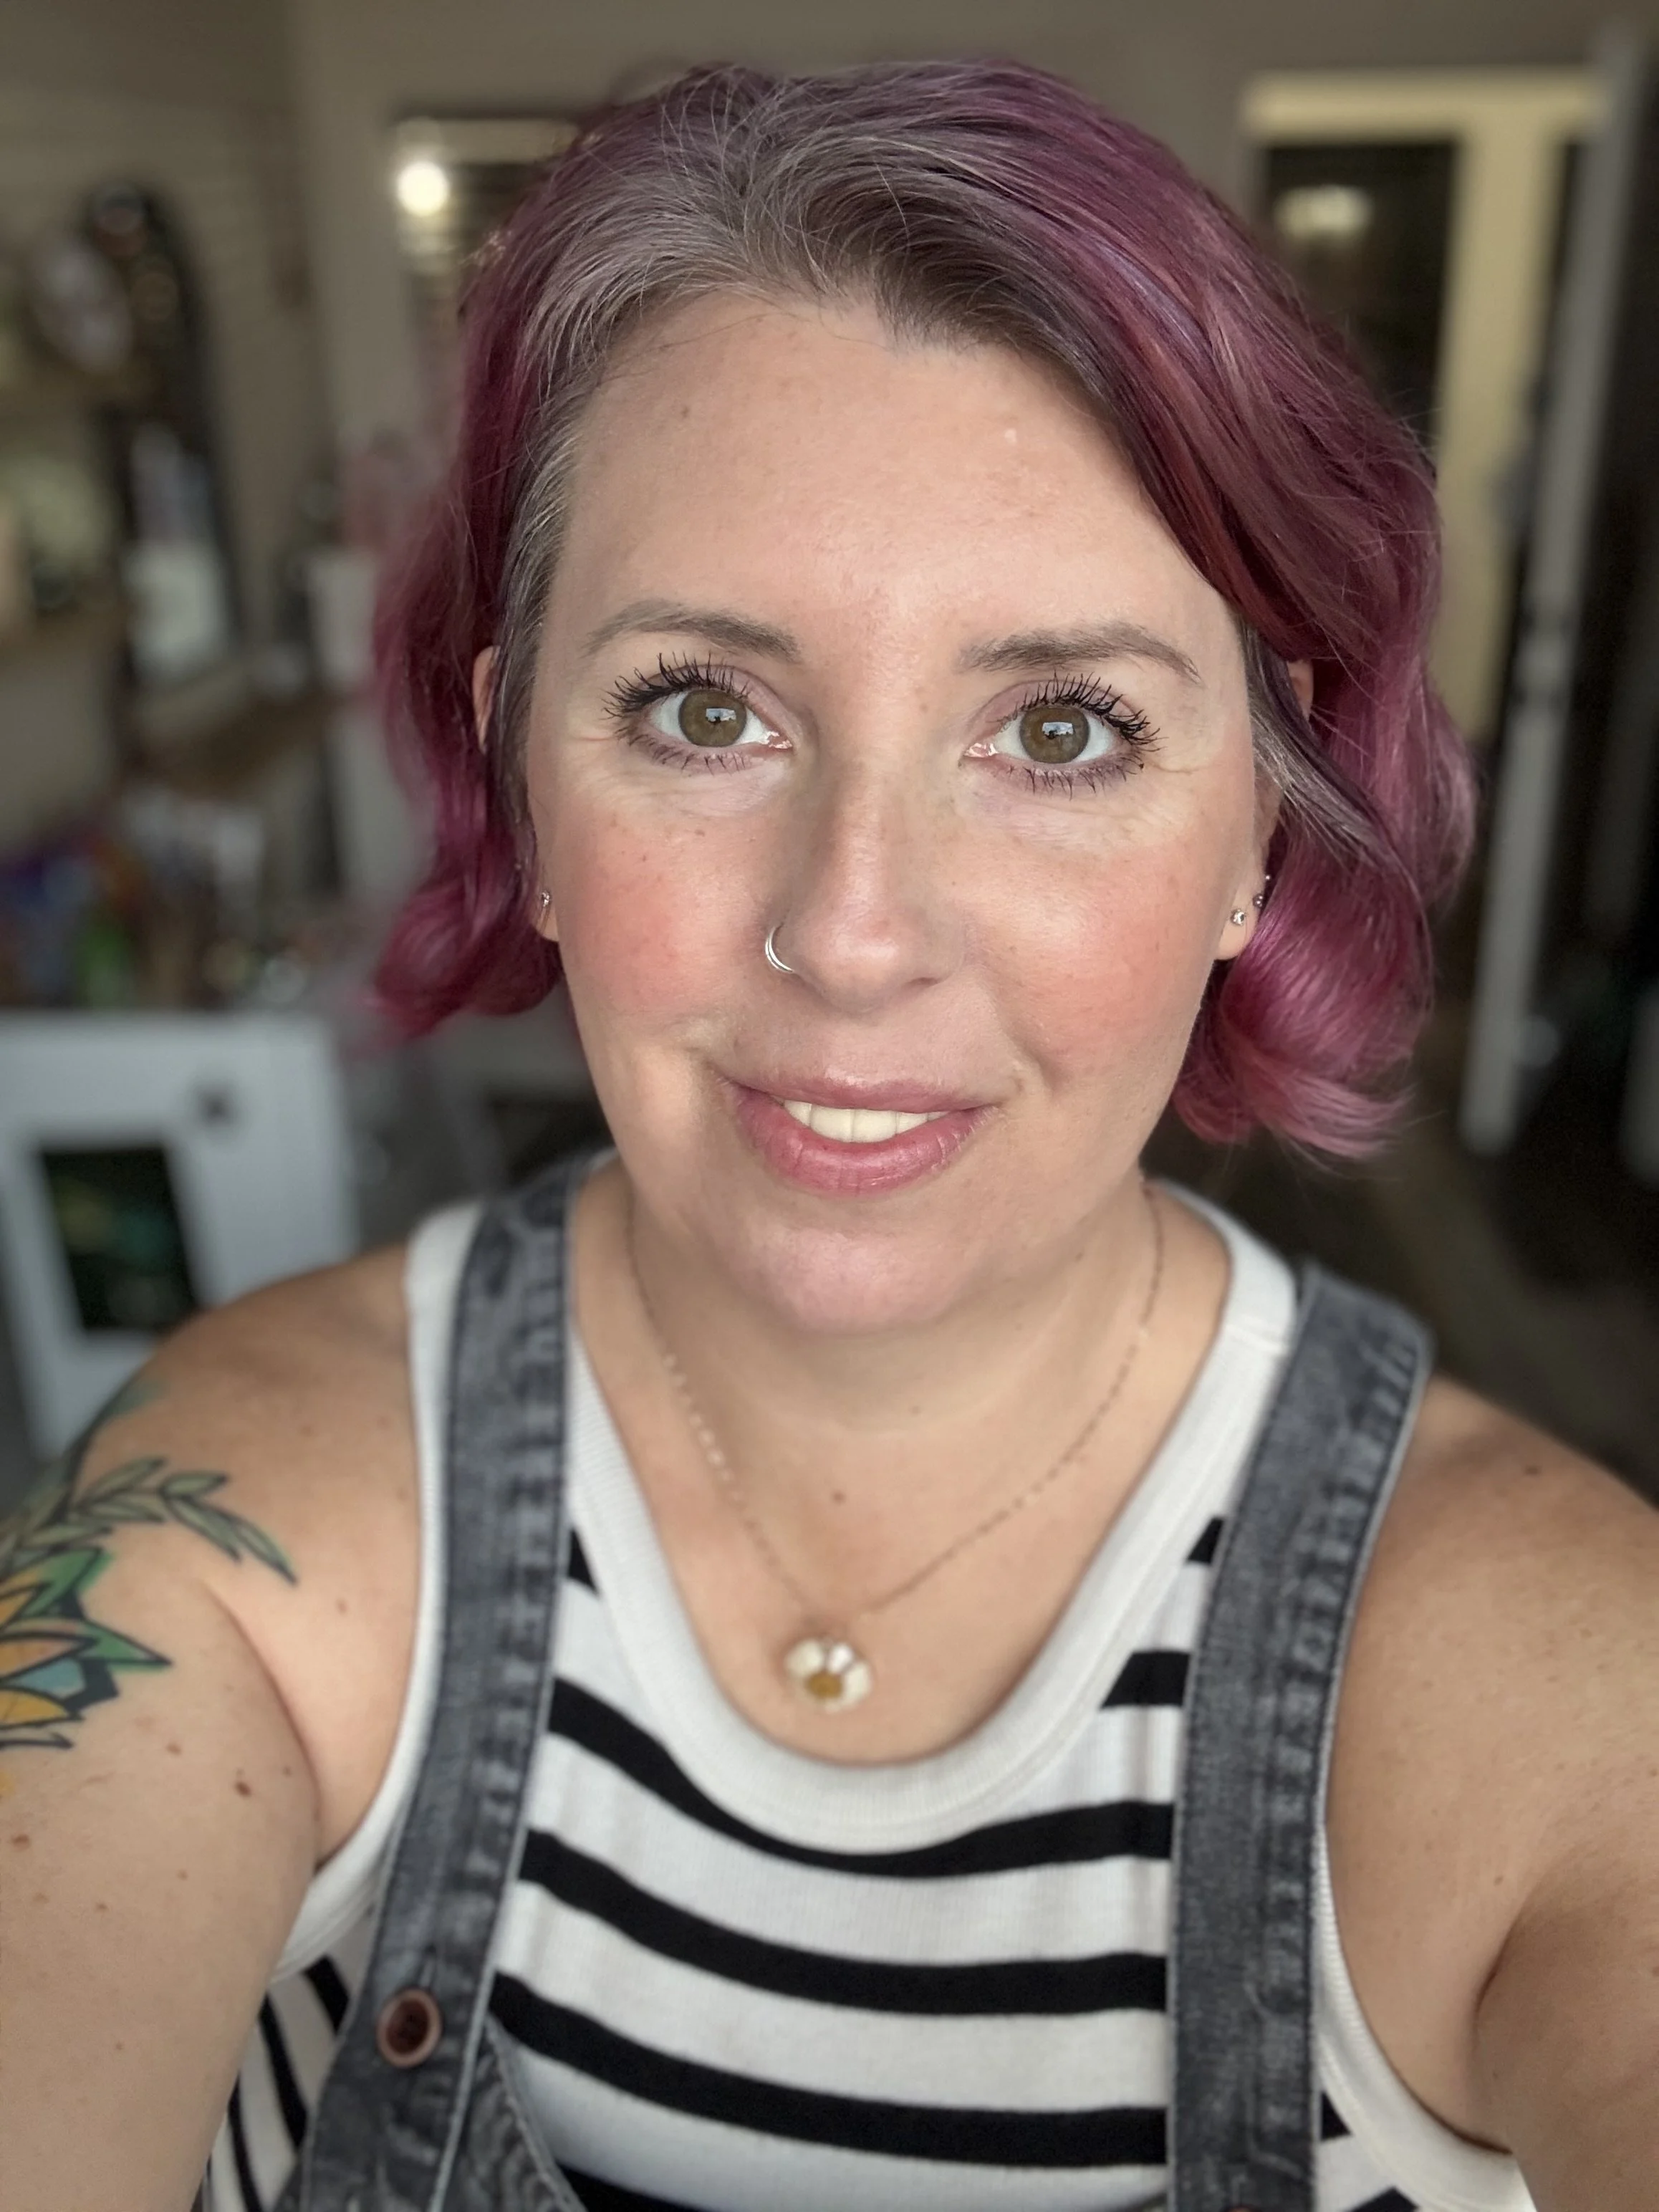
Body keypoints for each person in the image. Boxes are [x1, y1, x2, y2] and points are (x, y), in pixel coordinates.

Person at [4, 59, 1656, 2212]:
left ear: (1262, 827)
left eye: (1060, 730)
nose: (850, 932)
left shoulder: (1552, 1687)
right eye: (704, 708)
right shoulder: (248, 1523)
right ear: (521, 786)